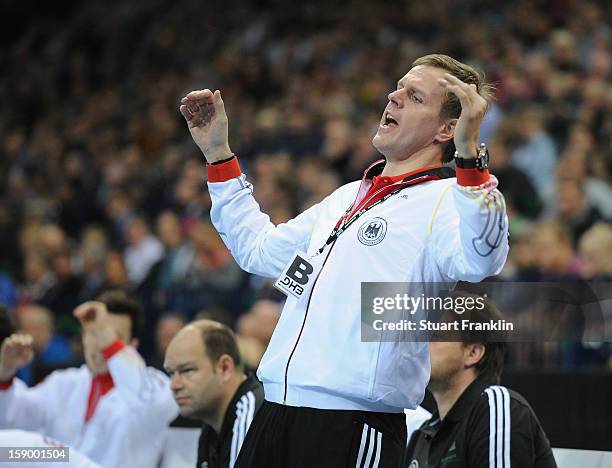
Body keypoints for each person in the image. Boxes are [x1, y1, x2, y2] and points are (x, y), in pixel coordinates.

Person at [180, 53, 509, 467]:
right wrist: (217, 155)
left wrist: (470, 157)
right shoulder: (346, 196)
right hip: (276, 410)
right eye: (398, 86)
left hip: (352, 424)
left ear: (448, 128)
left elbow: (484, 258)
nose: (394, 96)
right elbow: (259, 250)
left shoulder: (447, 200)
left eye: (415, 96)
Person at [0, 290, 178, 468]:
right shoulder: (64, 383)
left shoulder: (153, 386)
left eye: (112, 337)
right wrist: (5, 374)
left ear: (132, 345)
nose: (101, 345)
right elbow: (11, 420)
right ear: (83, 337)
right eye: (94, 333)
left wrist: (111, 346)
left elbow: (152, 405)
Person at [405, 293, 557, 467]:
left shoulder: (496, 405)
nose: (420, 345)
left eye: (436, 335)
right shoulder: (422, 435)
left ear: (473, 353)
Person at [164, 319, 264, 468]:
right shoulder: (211, 424)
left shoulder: (251, 416)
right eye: (171, 373)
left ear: (224, 368)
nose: (174, 385)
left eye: (187, 370)